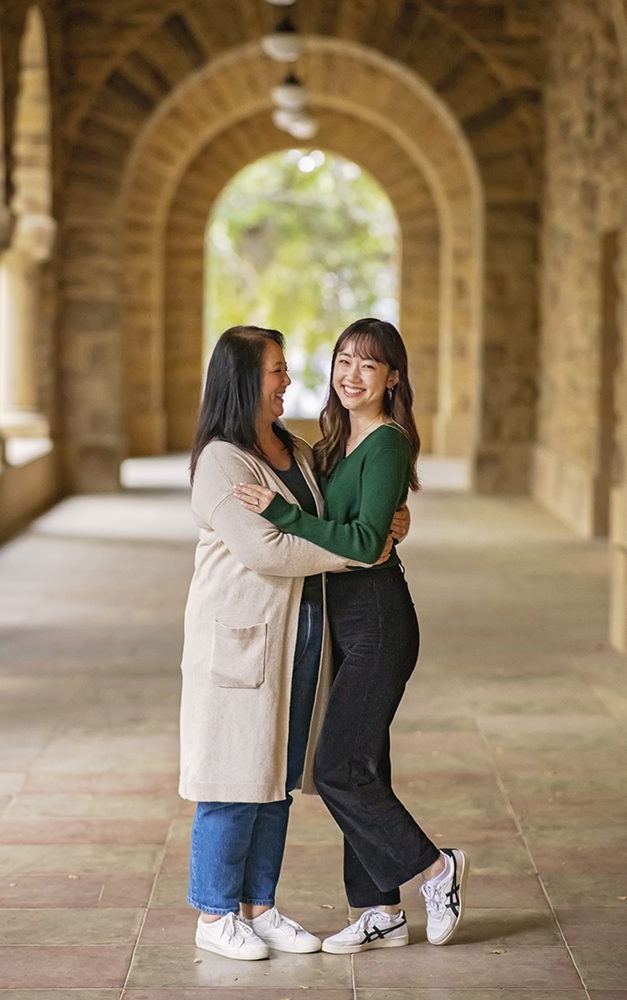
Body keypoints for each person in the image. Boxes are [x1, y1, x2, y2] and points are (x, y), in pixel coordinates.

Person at [233, 318, 469, 954]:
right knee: (364, 763)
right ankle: (378, 910)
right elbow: (356, 520)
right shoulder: (335, 441)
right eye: (343, 361)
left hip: (379, 622)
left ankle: (436, 869)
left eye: (369, 364)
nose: (352, 375)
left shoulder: (388, 443)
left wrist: (281, 514)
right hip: (345, 622)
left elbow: (366, 545)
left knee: (336, 768)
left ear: (393, 377)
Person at [179, 324, 407, 961]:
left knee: (275, 774)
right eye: (277, 370)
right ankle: (215, 912)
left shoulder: (296, 451)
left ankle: (260, 906)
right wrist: (360, 553)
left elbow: (337, 518)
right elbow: (267, 549)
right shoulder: (222, 460)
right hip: (240, 638)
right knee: (230, 775)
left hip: (301, 636)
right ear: (245, 380)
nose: (288, 380)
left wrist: (383, 522)